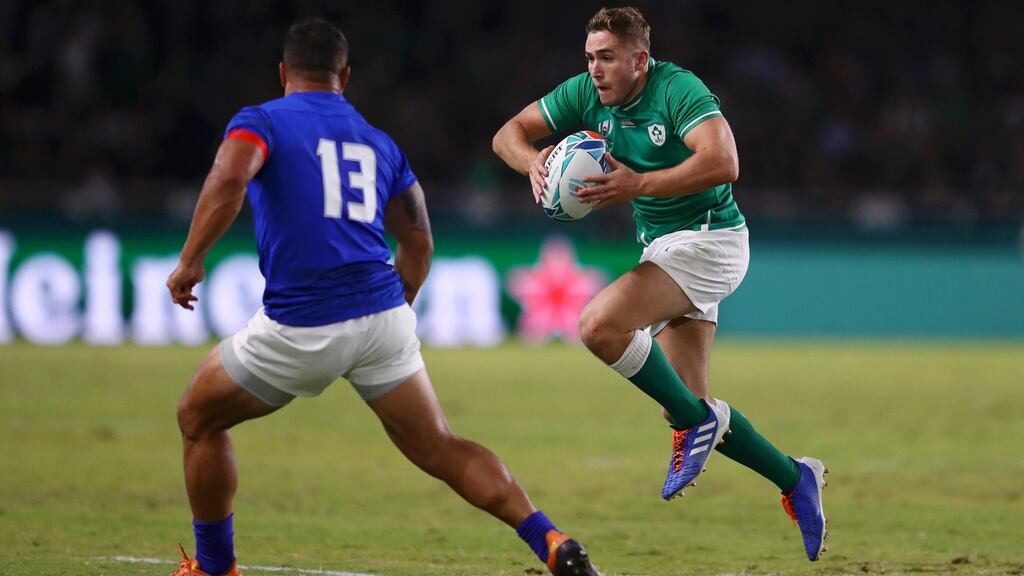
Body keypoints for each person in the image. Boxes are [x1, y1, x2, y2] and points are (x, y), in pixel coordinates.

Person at [165, 17, 598, 576]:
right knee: (441, 446)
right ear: (344, 76)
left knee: (197, 418)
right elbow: (418, 241)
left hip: (304, 321)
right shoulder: (378, 143)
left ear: (283, 73)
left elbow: (229, 177)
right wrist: (395, 311)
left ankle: (214, 567)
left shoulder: (262, 122)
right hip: (383, 315)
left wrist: (191, 259)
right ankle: (553, 541)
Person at [493, 6, 829, 562]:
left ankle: (698, 422)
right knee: (685, 402)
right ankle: (795, 478)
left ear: (640, 60)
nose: (595, 69)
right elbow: (508, 133)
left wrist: (640, 184)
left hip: (710, 240)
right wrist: (532, 162)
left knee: (598, 325)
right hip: (664, 247)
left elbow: (724, 161)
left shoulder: (677, 89)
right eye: (590, 57)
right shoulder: (585, 93)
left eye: (607, 58)